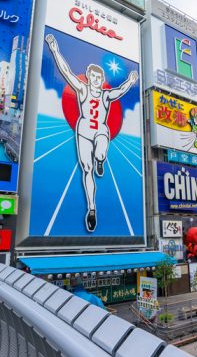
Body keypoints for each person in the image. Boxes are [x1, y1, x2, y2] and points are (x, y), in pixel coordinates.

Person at [45, 34, 138, 233]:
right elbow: (66, 71)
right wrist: (54, 50)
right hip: (84, 130)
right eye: (93, 77)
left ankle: (101, 160)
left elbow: (120, 90)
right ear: (89, 77)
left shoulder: (105, 95)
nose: (96, 80)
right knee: (86, 170)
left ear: (103, 79)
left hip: (101, 130)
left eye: (99, 77)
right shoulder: (82, 89)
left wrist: (130, 81)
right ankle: (92, 209)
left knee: (100, 153)